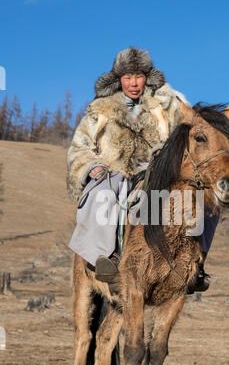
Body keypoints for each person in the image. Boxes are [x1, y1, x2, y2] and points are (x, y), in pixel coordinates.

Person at [66, 47, 218, 291]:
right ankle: (106, 261)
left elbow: (191, 131)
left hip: (161, 169)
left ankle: (196, 264)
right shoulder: (100, 108)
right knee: (100, 196)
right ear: (119, 79)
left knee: (205, 200)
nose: (133, 83)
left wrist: (168, 152)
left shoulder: (170, 101)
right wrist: (90, 167)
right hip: (113, 170)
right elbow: (79, 147)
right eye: (127, 77)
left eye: (138, 76)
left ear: (147, 76)